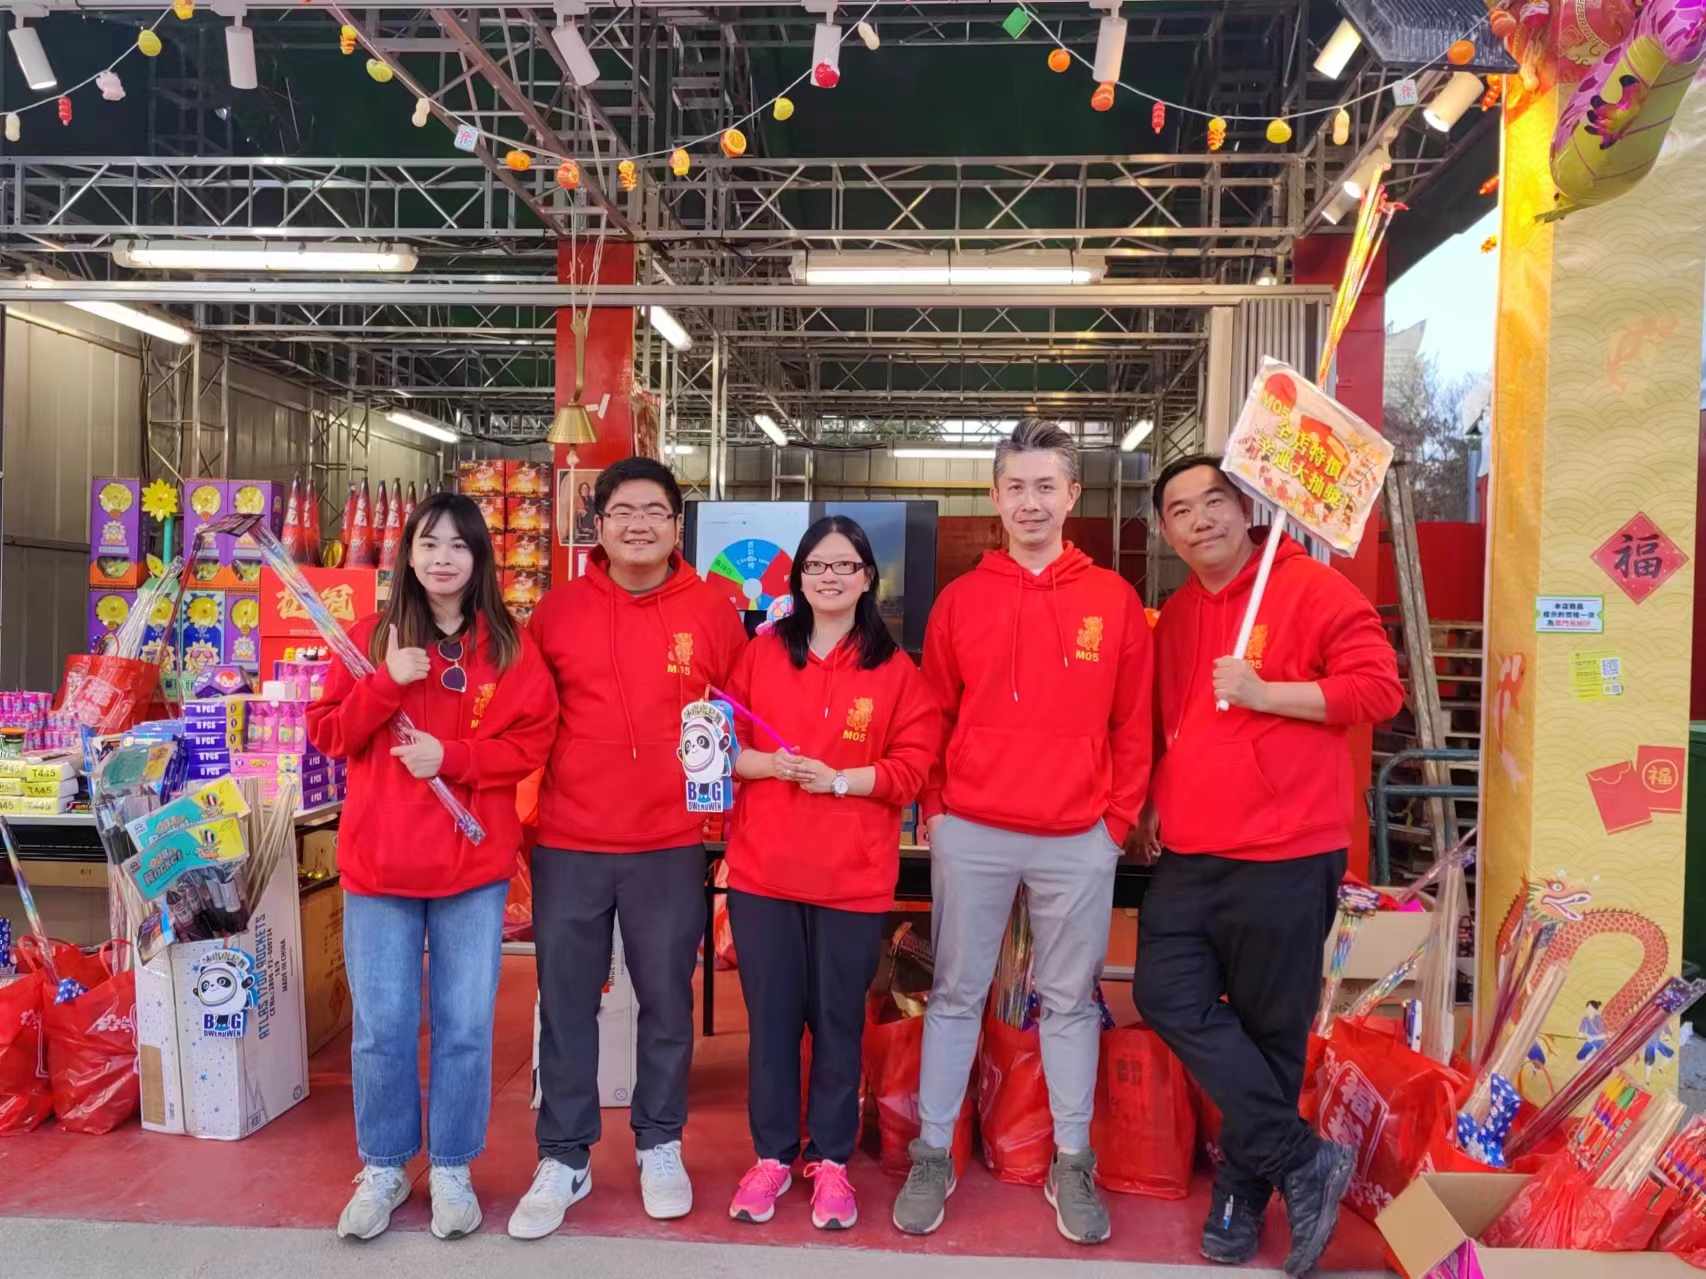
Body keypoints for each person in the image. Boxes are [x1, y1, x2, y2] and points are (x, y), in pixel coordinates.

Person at [1133, 454, 1404, 1278]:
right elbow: (1175, 719)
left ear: (1245, 505)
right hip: (1190, 852)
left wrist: (1267, 692)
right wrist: (1153, 795)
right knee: (1163, 992)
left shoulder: (1313, 589)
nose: (1200, 519)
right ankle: (1300, 1156)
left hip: (1285, 850)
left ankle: (1243, 1191)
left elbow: (1379, 689)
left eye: (1214, 500)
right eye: (1180, 509)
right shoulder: (1178, 613)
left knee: (1270, 1030)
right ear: (1166, 530)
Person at [893, 419, 1153, 1246]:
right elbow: (932, 713)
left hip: (1078, 834)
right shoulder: (961, 600)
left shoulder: (1112, 601)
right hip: (972, 827)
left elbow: (1133, 723)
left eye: (1047, 486)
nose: (1030, 501)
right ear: (995, 497)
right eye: (1016, 487)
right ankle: (932, 1151)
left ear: (1073, 495)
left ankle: (1071, 1159)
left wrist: (1114, 824)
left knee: (1071, 1000)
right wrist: (937, 808)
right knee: (956, 992)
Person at [308, 492, 558, 1243]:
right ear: (408, 554)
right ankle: (385, 1164)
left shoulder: (509, 648)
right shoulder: (367, 638)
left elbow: (533, 742)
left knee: (465, 1026)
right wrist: (385, 681)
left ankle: (451, 1165)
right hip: (380, 866)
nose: (443, 557)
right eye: (428, 543)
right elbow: (327, 734)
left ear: (480, 558)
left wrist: (454, 756)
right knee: (382, 1026)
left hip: (471, 867)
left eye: (459, 544)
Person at [510, 456, 748, 1239]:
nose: (639, 524)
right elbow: (524, 716)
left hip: (669, 842)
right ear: (599, 524)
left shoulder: (714, 610)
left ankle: (659, 1141)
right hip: (569, 839)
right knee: (566, 1002)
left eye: (655, 511)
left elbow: (740, 713)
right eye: (623, 511)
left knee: (668, 1001)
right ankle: (565, 1154)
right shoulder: (557, 611)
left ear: (678, 525)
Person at [720, 516, 938, 1232]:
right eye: (817, 565)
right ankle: (772, 1156)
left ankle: (833, 1160)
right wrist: (768, 764)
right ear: (799, 577)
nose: (830, 577)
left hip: (852, 880)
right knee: (772, 1025)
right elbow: (722, 744)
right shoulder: (761, 654)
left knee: (839, 1025)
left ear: (868, 578)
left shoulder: (895, 670)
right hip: (763, 875)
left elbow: (913, 767)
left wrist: (840, 779)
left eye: (846, 565)